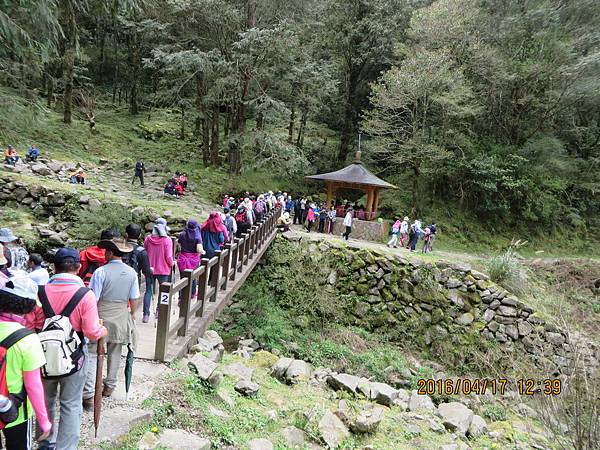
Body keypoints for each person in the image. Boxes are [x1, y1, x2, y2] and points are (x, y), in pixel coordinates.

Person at [26, 248, 107, 449]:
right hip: (74, 359)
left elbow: (30, 325)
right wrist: (102, 330)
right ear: (79, 268)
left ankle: (46, 443)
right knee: (71, 403)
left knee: (45, 402)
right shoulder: (85, 295)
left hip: (42, 356)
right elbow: (90, 331)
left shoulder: (40, 291)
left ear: (54, 267)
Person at [0, 274, 51, 448]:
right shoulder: (27, 339)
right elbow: (33, 385)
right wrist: (44, 421)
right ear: (28, 307)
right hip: (16, 409)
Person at [85, 237, 139, 399]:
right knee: (116, 351)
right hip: (121, 315)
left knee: (93, 352)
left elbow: (93, 298)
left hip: (100, 316)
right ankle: (110, 386)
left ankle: (89, 390)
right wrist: (132, 314)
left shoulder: (100, 272)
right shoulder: (132, 273)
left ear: (109, 253)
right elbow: (134, 297)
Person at [143, 218, 173, 323]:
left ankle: (146, 315)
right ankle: (159, 311)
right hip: (163, 269)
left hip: (149, 269)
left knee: (148, 291)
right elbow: (168, 256)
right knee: (163, 290)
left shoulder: (148, 239)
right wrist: (172, 263)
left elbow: (144, 252)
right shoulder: (167, 240)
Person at [177, 220, 203, 299]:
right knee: (193, 277)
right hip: (193, 260)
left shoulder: (182, 234)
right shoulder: (197, 237)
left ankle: (181, 296)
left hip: (183, 258)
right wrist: (203, 251)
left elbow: (179, 244)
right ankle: (192, 293)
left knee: (182, 277)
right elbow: (199, 249)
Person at [123, 224, 153, 292]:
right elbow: (146, 271)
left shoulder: (119, 248)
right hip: (134, 281)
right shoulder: (142, 251)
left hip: (118, 280)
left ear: (126, 234)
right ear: (139, 236)